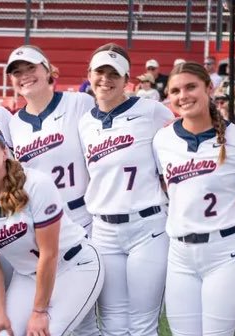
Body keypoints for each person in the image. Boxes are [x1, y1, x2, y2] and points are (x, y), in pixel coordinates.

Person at [0, 124, 104, 335]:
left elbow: (49, 253)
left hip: (72, 265)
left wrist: (39, 311)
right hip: (27, 276)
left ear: (4, 152)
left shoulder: (36, 184)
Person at [3, 44, 102, 335]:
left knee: (85, 318)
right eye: (17, 72)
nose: (24, 75)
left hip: (83, 218)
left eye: (31, 68)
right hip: (40, 226)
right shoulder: (14, 124)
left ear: (48, 71)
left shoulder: (79, 103)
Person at [78, 44, 174, 336]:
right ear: (89, 75)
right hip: (104, 230)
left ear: (126, 79)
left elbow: (185, 138)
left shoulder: (150, 110)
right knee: (112, 322)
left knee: (143, 323)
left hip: (147, 226)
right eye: (100, 72)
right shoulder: (85, 122)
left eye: (114, 74)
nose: (105, 80)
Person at [153, 62, 235, 335]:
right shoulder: (162, 139)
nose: (183, 95)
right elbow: (165, 184)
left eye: (191, 87)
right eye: (175, 91)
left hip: (226, 250)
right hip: (180, 253)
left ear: (209, 88)